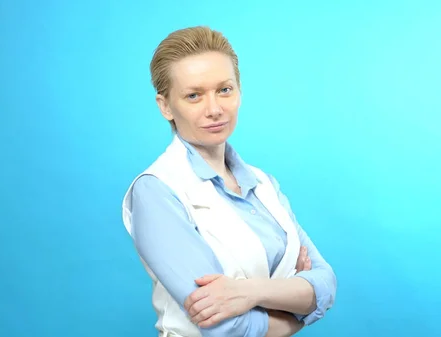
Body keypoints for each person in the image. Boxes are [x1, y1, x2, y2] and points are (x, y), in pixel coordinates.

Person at [121, 26, 337, 337]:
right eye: (193, 95)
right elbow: (225, 327)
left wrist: (247, 293)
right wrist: (296, 312)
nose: (214, 109)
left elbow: (326, 283)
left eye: (224, 89)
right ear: (165, 106)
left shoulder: (263, 184)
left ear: (239, 91)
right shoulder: (156, 190)